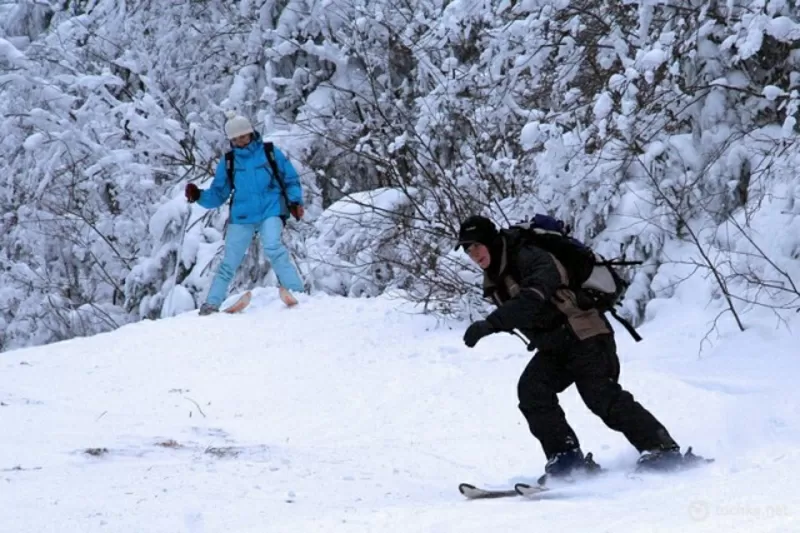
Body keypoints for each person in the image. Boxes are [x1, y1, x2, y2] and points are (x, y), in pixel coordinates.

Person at [455, 214, 686, 481]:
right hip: (555, 345)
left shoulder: (529, 255)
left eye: (476, 245)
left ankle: (662, 448)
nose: (473, 253)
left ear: (490, 241)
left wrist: (491, 324)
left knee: (601, 396)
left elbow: (535, 297)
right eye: (467, 249)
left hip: (585, 332)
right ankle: (566, 460)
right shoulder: (495, 276)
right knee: (532, 390)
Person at [185, 112, 305, 314]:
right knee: (229, 261)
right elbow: (219, 193)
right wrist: (198, 195)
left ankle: (297, 292)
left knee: (274, 246)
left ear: (251, 133)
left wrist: (294, 201)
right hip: (242, 215)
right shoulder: (229, 161)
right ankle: (212, 304)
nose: (241, 141)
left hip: (271, 209)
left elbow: (290, 178)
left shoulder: (269, 152)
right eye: (235, 138)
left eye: (243, 136)